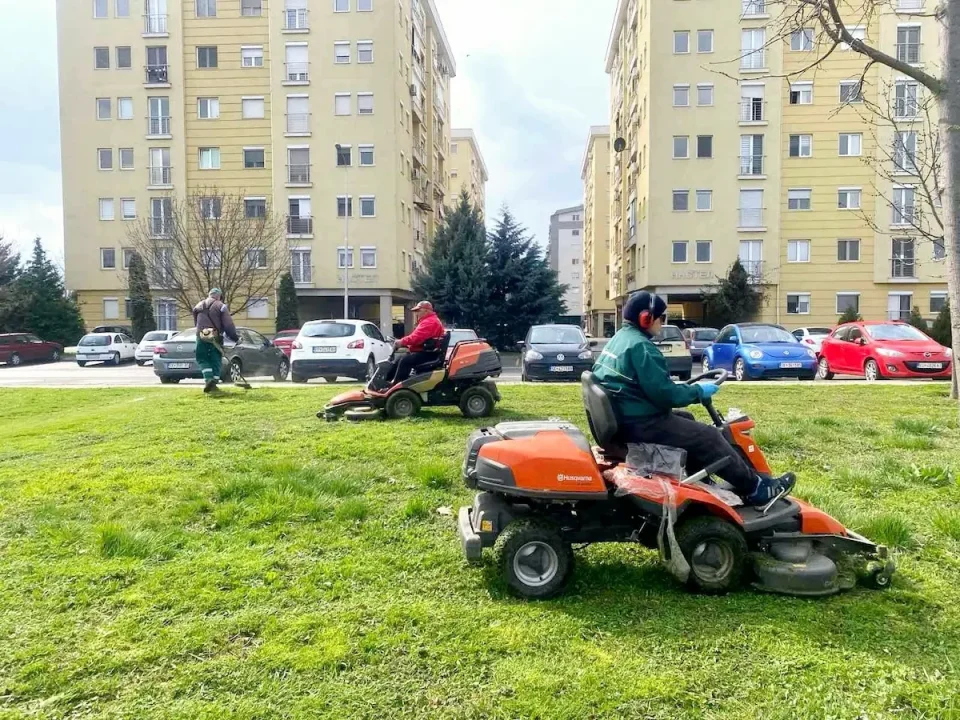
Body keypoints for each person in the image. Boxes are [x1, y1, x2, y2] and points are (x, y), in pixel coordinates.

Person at [592, 291, 795, 505]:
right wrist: (698, 392)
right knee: (709, 437)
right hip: (640, 423)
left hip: (625, 417)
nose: (662, 323)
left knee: (687, 419)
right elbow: (666, 395)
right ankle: (755, 489)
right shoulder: (642, 347)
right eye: (662, 318)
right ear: (646, 318)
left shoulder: (620, 340)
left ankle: (701, 480)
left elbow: (652, 386)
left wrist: (685, 389)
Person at [192, 288, 239, 393]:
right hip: (215, 336)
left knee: (202, 358)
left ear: (209, 295)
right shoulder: (221, 306)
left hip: (201, 335)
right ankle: (214, 382)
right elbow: (228, 325)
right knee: (216, 358)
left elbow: (196, 323)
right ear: (219, 296)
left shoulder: (198, 306)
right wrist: (234, 337)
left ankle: (208, 379)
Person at [388, 300, 446, 385]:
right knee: (399, 359)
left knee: (405, 360)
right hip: (427, 352)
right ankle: (390, 383)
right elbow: (419, 339)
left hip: (428, 354)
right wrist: (406, 344)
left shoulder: (430, 322)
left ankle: (397, 387)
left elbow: (417, 338)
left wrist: (401, 342)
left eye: (418, 310)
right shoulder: (428, 321)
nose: (416, 313)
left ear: (426, 310)